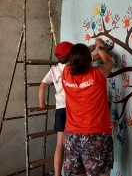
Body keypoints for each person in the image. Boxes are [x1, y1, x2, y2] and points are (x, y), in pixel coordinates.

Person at [62, 38, 114, 176]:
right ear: (89, 60)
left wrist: (90, 48)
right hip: (96, 135)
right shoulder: (98, 73)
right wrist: (100, 48)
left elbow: (69, 62)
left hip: (72, 136)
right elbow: (109, 62)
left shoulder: (66, 74)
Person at [39, 41, 74, 176]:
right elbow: (90, 58)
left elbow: (43, 85)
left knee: (60, 143)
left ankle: (58, 174)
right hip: (73, 107)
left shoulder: (53, 69)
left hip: (60, 108)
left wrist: (42, 103)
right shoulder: (73, 67)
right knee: (75, 141)